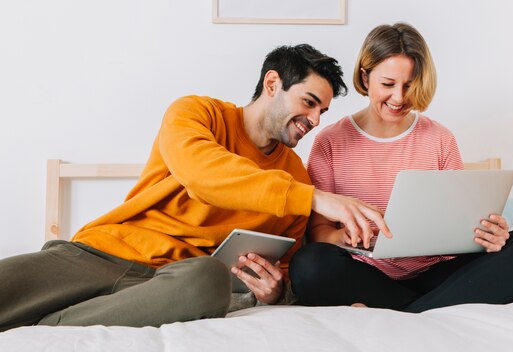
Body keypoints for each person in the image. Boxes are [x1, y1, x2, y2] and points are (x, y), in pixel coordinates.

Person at [0, 44, 391, 332]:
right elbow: (204, 174)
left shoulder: (296, 177)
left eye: (322, 111)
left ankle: (45, 332)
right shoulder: (196, 113)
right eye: (308, 102)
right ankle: (57, 318)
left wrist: (275, 292)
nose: (314, 120)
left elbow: (285, 266)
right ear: (272, 83)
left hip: (176, 282)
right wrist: (316, 197)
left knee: (209, 278)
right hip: (100, 254)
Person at [289, 23, 513, 312]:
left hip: (436, 275)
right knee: (308, 265)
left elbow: (461, 223)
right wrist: (344, 236)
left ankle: (407, 311)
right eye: (388, 84)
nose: (399, 98)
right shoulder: (330, 141)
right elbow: (319, 234)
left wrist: (490, 236)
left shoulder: (439, 138)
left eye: (409, 85)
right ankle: (433, 309)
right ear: (365, 78)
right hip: (366, 275)